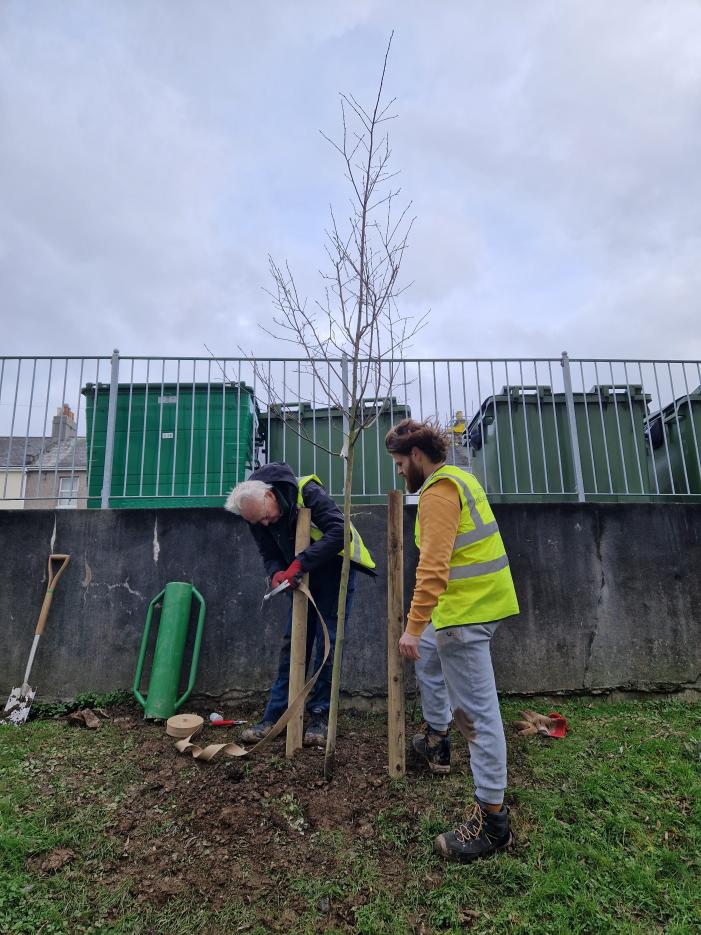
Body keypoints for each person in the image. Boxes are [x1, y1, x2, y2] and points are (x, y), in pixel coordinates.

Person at [385, 418, 520, 862]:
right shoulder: (460, 478)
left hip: (465, 615)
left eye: (400, 463)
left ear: (417, 456)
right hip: (472, 606)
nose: (399, 472)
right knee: (431, 656)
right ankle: (438, 740)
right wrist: (423, 633)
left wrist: (413, 625)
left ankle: (492, 822)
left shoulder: (438, 493)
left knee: (477, 716)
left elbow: (433, 568)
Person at [225, 462, 375, 746]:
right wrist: (275, 573)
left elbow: (340, 532)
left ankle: (319, 717)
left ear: (270, 495)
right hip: (301, 576)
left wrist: (300, 563)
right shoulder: (254, 514)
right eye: (258, 523)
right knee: (293, 644)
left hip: (334, 571)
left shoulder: (308, 492)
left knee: (328, 643)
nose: (265, 524)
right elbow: (268, 553)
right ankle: (275, 717)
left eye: (266, 517)